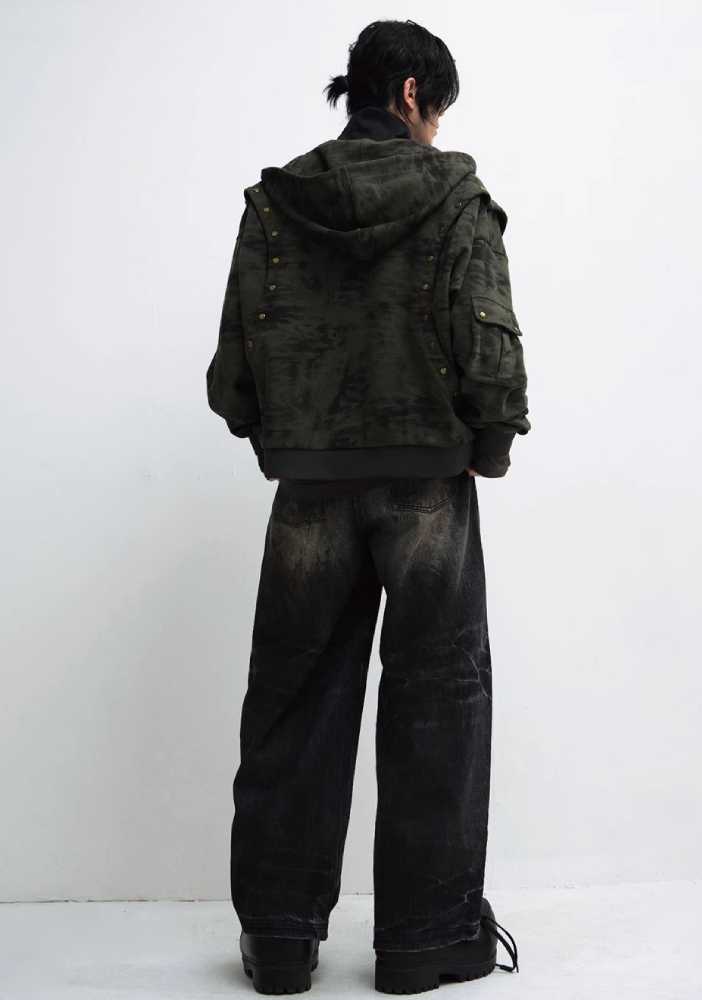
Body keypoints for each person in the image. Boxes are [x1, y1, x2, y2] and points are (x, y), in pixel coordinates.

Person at [206, 18, 528, 994]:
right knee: (438, 697)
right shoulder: (456, 197)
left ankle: (279, 943)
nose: (436, 132)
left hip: (309, 488)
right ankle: (427, 940)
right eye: (437, 112)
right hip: (428, 486)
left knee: (294, 700)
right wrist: (488, 444)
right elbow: (491, 354)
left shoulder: (275, 204)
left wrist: (285, 442)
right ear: (411, 95)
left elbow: (233, 372)